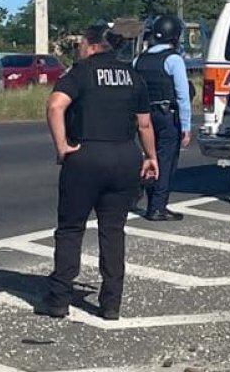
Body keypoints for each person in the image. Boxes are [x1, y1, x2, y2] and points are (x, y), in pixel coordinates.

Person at [37, 24, 159, 320]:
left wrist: (62, 146)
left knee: (70, 229)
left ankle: (59, 299)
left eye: (80, 43)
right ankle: (110, 304)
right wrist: (151, 157)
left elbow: (55, 107)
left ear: (91, 45)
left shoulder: (80, 72)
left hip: (87, 156)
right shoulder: (132, 75)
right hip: (125, 156)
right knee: (113, 231)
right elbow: (144, 124)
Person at [132, 15, 191, 221]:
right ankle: (157, 207)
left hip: (143, 116)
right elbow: (183, 95)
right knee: (165, 161)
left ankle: (141, 193)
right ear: (175, 36)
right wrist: (186, 126)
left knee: (149, 156)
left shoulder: (139, 59)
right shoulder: (173, 59)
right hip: (166, 115)